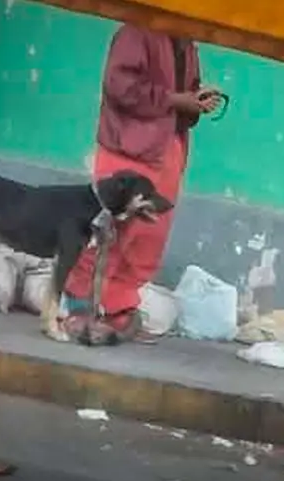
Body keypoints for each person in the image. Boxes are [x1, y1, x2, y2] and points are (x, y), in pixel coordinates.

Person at [60, 25, 221, 343]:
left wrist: (196, 102)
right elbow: (120, 87)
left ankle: (117, 311)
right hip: (129, 151)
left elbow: (181, 97)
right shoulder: (136, 30)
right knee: (109, 235)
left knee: (148, 239)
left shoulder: (185, 40)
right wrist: (177, 100)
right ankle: (78, 309)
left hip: (167, 148)